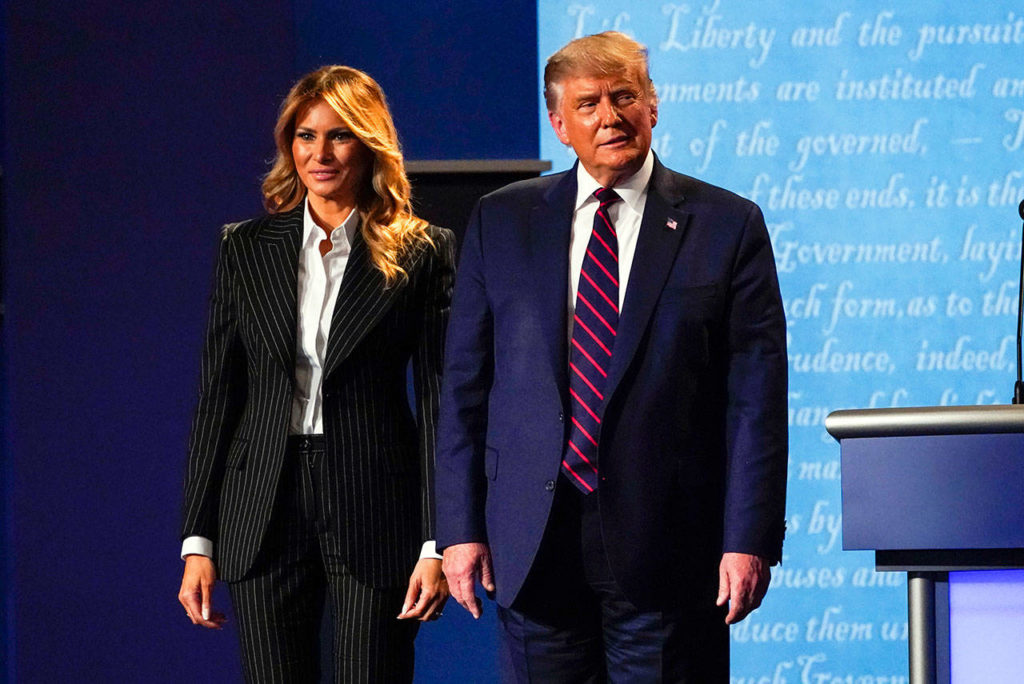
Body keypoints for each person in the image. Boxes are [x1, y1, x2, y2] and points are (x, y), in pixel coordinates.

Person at [436, 32, 787, 681]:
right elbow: (464, 389)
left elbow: (756, 402)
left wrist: (748, 538)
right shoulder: (501, 221)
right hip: (533, 544)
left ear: (653, 106)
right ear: (559, 123)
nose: (610, 115)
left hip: (672, 549)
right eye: (590, 101)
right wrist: (456, 529)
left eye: (625, 96)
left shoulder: (726, 224)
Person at [177, 65, 453, 683]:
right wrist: (198, 541)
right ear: (288, 146)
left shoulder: (424, 250)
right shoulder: (245, 247)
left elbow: (440, 404)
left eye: (339, 136)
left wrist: (436, 542)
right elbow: (218, 399)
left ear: (369, 144)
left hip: (375, 499)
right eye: (305, 136)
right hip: (263, 504)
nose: (320, 153)